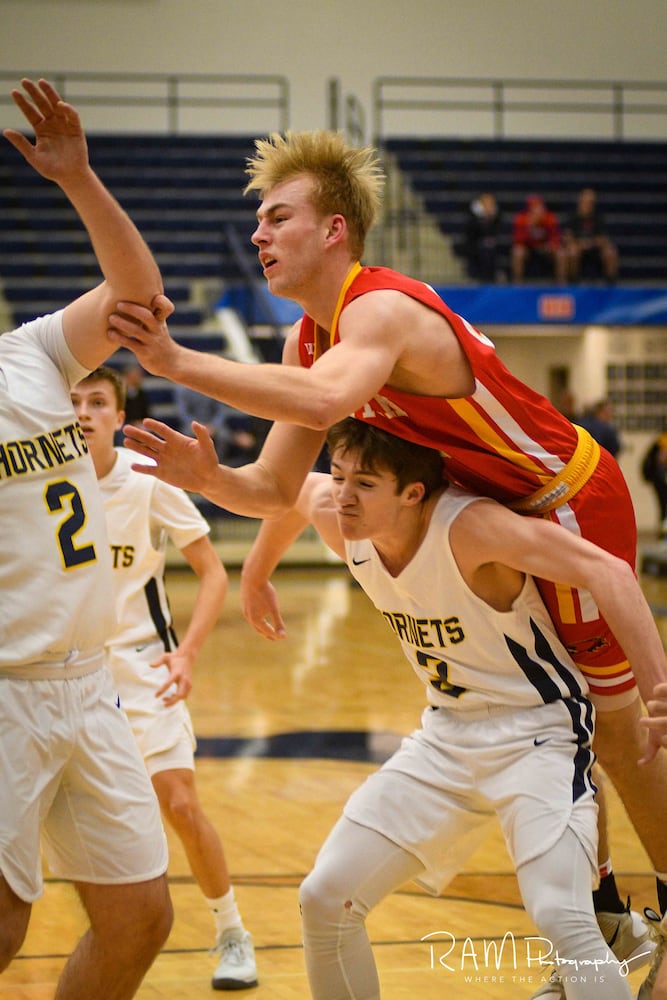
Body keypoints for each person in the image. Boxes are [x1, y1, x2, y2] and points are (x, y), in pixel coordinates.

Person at [107, 129, 667, 998]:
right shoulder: (307, 339)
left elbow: (329, 401)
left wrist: (176, 361)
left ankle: (655, 904)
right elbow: (274, 483)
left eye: (276, 216)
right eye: (256, 220)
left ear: (334, 230)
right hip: (491, 511)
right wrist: (215, 487)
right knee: (559, 721)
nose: (257, 234)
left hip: (563, 495)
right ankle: (597, 919)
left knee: (618, 734)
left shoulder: (381, 310)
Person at [239, 417, 667, 1000]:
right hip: (444, 738)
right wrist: (256, 571)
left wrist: (659, 689)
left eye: (363, 484)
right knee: (325, 898)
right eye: (338, 476)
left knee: (563, 919)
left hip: (539, 735)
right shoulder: (345, 514)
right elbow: (285, 494)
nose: (341, 495)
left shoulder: (471, 529)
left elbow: (609, 570)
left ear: (413, 494)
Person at [0, 77, 173, 998]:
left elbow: (141, 294)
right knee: (4, 923)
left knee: (141, 920)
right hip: (4, 689)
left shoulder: (30, 354)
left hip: (88, 681)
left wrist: (77, 180)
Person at [70, 366, 258, 991]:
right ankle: (106, 932)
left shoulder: (145, 481)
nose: (84, 411)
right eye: (74, 401)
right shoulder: (40, 481)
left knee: (178, 801)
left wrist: (189, 653)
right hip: (73, 675)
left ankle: (231, 930)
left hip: (145, 665)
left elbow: (212, 573)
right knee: (75, 819)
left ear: (118, 417)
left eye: (97, 402)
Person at [173, 383, 265, 467]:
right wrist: (198, 426)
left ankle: (219, 462)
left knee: (223, 435)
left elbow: (220, 412)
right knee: (186, 436)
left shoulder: (212, 388)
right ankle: (192, 463)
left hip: (213, 423)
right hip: (191, 424)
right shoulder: (182, 389)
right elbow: (183, 413)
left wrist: (214, 425)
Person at [563, 188, 619, 284]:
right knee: (572, 251)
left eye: (591, 202)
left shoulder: (598, 216)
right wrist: (579, 245)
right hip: (578, 248)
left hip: (595, 249)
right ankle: (573, 283)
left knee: (611, 252)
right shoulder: (572, 216)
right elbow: (568, 237)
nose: (588, 204)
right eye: (586, 201)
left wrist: (590, 243)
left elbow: (603, 239)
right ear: (581, 201)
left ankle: (611, 284)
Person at [511, 194, 567, 283]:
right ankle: (517, 283)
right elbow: (517, 240)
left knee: (560, 253)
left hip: (546, 247)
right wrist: (530, 226)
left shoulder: (550, 218)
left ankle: (561, 283)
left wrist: (550, 245)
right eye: (534, 208)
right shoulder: (521, 219)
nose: (538, 211)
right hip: (528, 247)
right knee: (518, 252)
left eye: (539, 207)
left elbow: (556, 237)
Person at [460, 191, 505, 282]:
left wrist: (491, 219)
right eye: (486, 202)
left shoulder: (496, 214)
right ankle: (482, 277)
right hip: (475, 244)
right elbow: (471, 232)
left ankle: (494, 276)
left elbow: (497, 231)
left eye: (490, 202)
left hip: (492, 244)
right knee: (484, 251)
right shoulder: (473, 214)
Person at [642, 434, 667, 539]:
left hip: (659, 479)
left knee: (664, 508)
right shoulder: (662, 439)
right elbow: (661, 458)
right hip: (661, 479)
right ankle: (663, 535)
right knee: (664, 508)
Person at [122, 361, 152, 426]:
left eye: (139, 375)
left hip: (140, 424)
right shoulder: (121, 393)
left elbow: (146, 413)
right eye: (136, 375)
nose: (138, 378)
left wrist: (142, 422)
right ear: (128, 376)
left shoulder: (142, 393)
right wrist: (132, 422)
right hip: (125, 424)